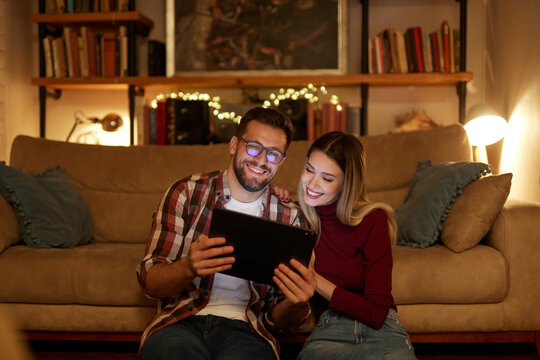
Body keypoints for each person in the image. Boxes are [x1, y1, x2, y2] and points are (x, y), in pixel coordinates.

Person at [136, 107, 317, 360]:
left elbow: (281, 317)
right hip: (181, 321)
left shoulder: (290, 217)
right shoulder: (186, 193)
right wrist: (189, 267)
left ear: (282, 161)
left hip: (248, 330)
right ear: (234, 145)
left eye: (274, 154)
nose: (262, 160)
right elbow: (149, 281)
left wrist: (296, 304)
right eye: (253, 147)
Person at [294, 131, 417, 360]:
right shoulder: (296, 217)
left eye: (327, 178)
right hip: (329, 328)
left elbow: (377, 313)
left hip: (382, 331)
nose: (311, 184)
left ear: (346, 183)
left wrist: (315, 280)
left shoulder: (373, 220)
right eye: (309, 170)